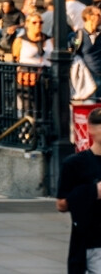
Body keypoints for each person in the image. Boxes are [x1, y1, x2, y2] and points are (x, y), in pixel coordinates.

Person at [61, 110, 101, 273]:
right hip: (94, 243)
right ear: (90, 128)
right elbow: (62, 204)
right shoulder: (75, 164)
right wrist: (93, 191)